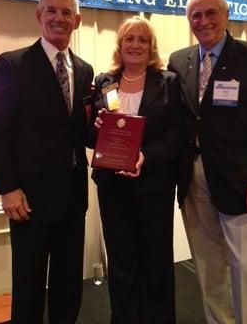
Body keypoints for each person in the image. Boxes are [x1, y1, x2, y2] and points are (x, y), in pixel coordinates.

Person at [168, 0, 247, 324]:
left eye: (210, 13)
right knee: (206, 264)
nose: (203, 22)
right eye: (196, 16)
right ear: (189, 21)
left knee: (244, 266)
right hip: (192, 176)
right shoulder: (180, 60)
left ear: (226, 15)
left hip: (241, 179)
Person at [0, 0, 94, 324]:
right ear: (39, 16)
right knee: (30, 286)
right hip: (29, 199)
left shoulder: (86, 69)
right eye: (51, 11)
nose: (58, 18)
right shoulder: (12, 64)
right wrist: (8, 188)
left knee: (68, 285)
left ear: (76, 20)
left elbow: (80, 131)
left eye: (66, 13)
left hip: (74, 197)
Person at [91, 16, 182, 324]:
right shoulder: (105, 82)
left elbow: (175, 136)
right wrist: (97, 126)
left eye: (142, 40)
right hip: (112, 185)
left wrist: (146, 157)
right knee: (121, 260)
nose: (135, 45)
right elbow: (92, 134)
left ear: (151, 46)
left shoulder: (167, 81)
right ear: (120, 45)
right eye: (129, 38)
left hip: (154, 184)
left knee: (155, 259)